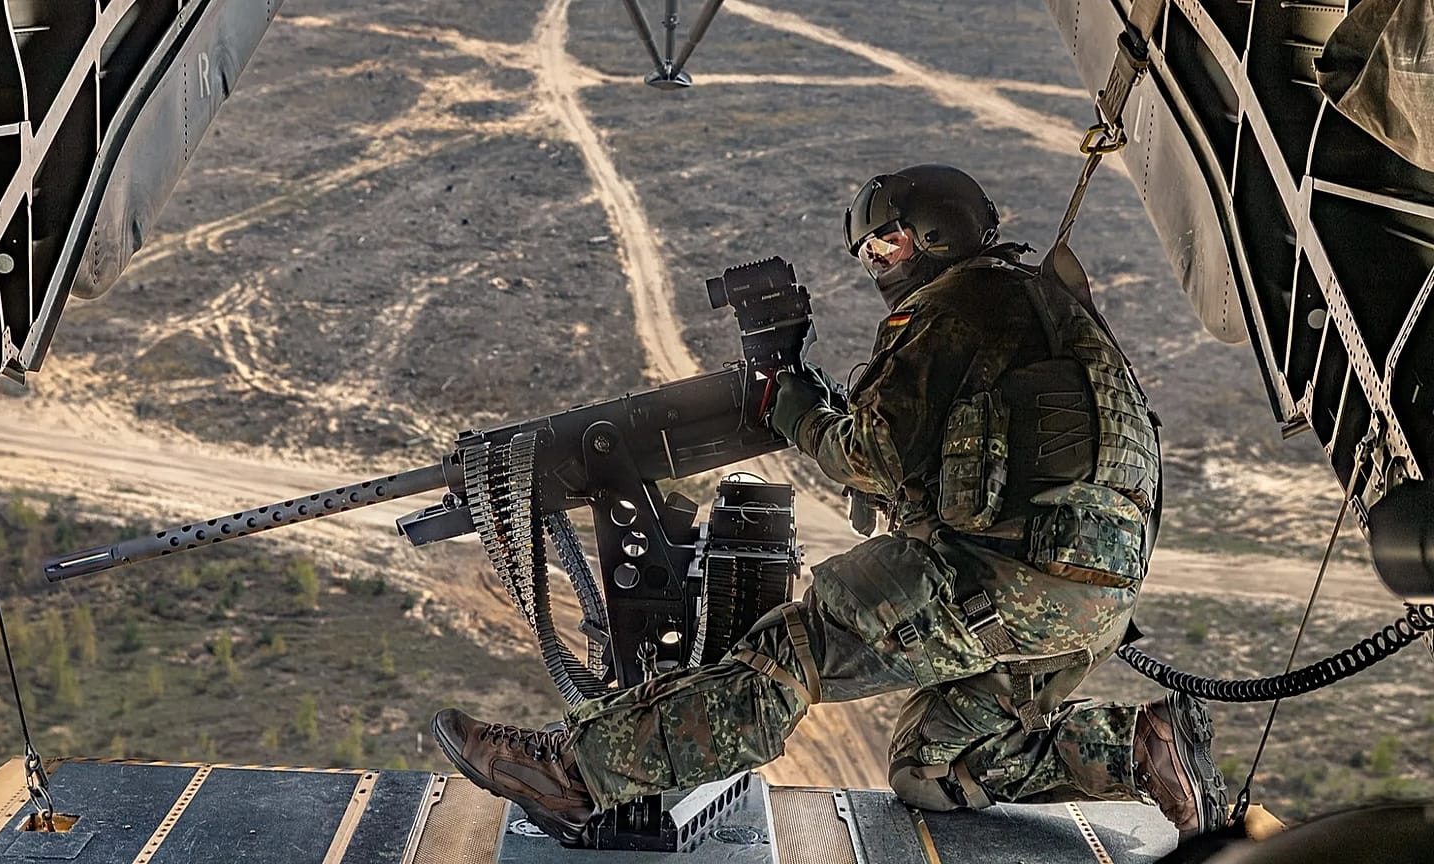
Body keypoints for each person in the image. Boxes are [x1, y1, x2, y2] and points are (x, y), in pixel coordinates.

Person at [432, 164, 1228, 845]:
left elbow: (870, 457)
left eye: (888, 241)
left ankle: (574, 771)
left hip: (1003, 580)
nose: (877, 260)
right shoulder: (1053, 312)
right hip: (1093, 598)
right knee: (935, 770)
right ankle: (1140, 747)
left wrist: (790, 403)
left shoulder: (958, 306)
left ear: (938, 235)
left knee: (792, 655)